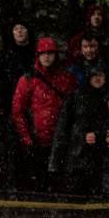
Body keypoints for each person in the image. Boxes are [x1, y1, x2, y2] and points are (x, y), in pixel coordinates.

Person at [10, 36, 74, 191]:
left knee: (57, 186)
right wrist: (26, 138)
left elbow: (73, 109)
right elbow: (17, 111)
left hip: (59, 142)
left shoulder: (67, 78)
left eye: (50, 53)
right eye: (43, 53)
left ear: (56, 55)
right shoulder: (28, 79)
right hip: (35, 142)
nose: (46, 56)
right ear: (37, 55)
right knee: (35, 185)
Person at [49, 66, 109, 195]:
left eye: (100, 75)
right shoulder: (76, 96)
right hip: (77, 157)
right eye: (94, 75)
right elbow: (62, 129)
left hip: (101, 161)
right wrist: (55, 163)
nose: (97, 78)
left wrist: (100, 135)